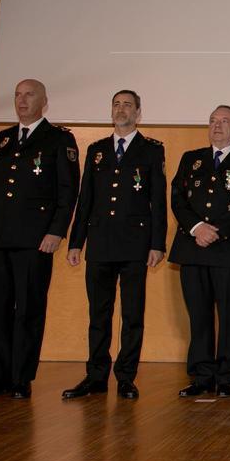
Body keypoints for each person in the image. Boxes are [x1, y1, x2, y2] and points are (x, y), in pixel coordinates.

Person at [0, 78, 79, 399]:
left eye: (29, 95)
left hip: (35, 239)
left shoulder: (58, 139)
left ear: (44, 101)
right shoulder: (0, 140)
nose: (21, 100)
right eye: (17, 95)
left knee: (28, 309)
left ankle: (20, 378)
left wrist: (57, 231)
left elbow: (68, 192)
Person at [62, 90, 166, 400]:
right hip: (100, 243)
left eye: (128, 105)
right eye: (116, 104)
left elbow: (157, 201)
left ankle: (125, 377)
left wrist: (157, 244)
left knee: (132, 314)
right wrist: (75, 242)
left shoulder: (151, 150)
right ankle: (95, 376)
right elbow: (85, 200)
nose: (121, 110)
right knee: (99, 314)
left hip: (135, 243)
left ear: (138, 113)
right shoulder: (96, 150)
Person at [169, 105, 230, 398]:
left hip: (227, 250)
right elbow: (177, 198)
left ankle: (226, 376)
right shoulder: (191, 159)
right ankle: (201, 375)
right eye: (213, 121)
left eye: (225, 122)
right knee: (199, 315)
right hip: (192, 248)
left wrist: (215, 231)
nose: (218, 126)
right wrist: (197, 228)